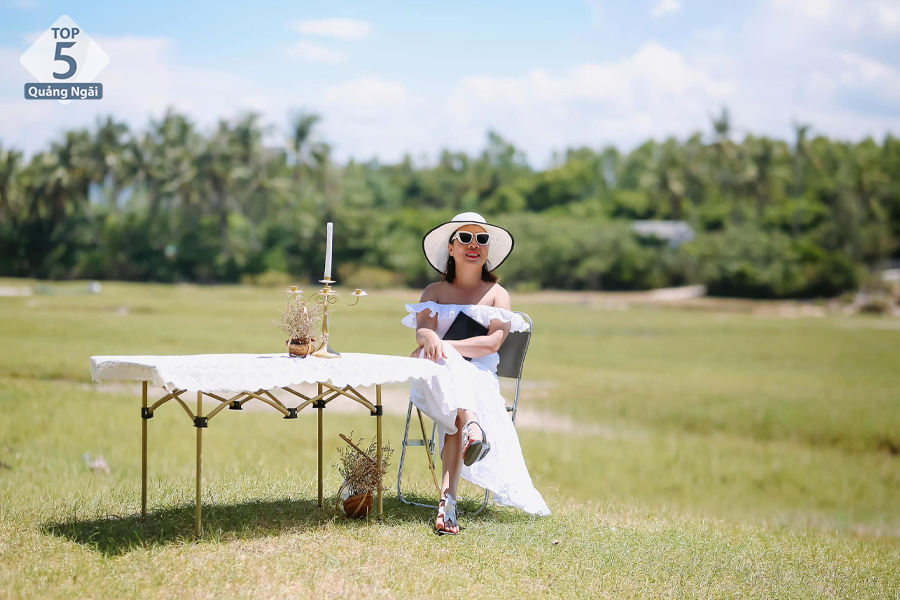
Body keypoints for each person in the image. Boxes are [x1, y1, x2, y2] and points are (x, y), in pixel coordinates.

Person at [404, 212, 551, 535]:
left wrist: (443, 346)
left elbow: (492, 343)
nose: (474, 245)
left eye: (482, 239)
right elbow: (423, 334)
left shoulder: (498, 294)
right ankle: (472, 425)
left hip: (477, 379)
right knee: (444, 372)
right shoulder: (434, 291)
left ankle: (448, 503)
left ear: (487, 250)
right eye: (466, 238)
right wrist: (430, 340)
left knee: (453, 395)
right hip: (435, 378)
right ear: (451, 248)